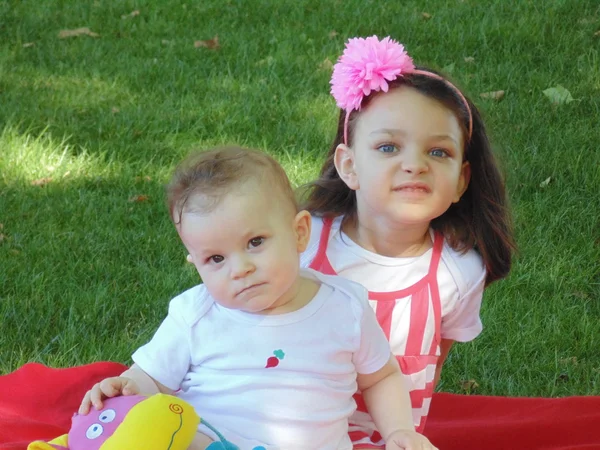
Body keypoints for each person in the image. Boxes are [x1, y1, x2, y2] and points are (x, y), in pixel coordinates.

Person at [78, 147, 438, 450]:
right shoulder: (196, 314)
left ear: (299, 233)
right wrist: (130, 384)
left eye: (255, 243)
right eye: (216, 259)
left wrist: (398, 430)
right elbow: (153, 378)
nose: (240, 269)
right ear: (196, 264)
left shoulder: (345, 307)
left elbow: (380, 378)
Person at [300, 36, 515, 447]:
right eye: (388, 147)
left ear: (461, 182)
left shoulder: (458, 273)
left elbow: (430, 371)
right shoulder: (304, 245)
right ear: (349, 166)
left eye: (438, 153)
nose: (414, 164)